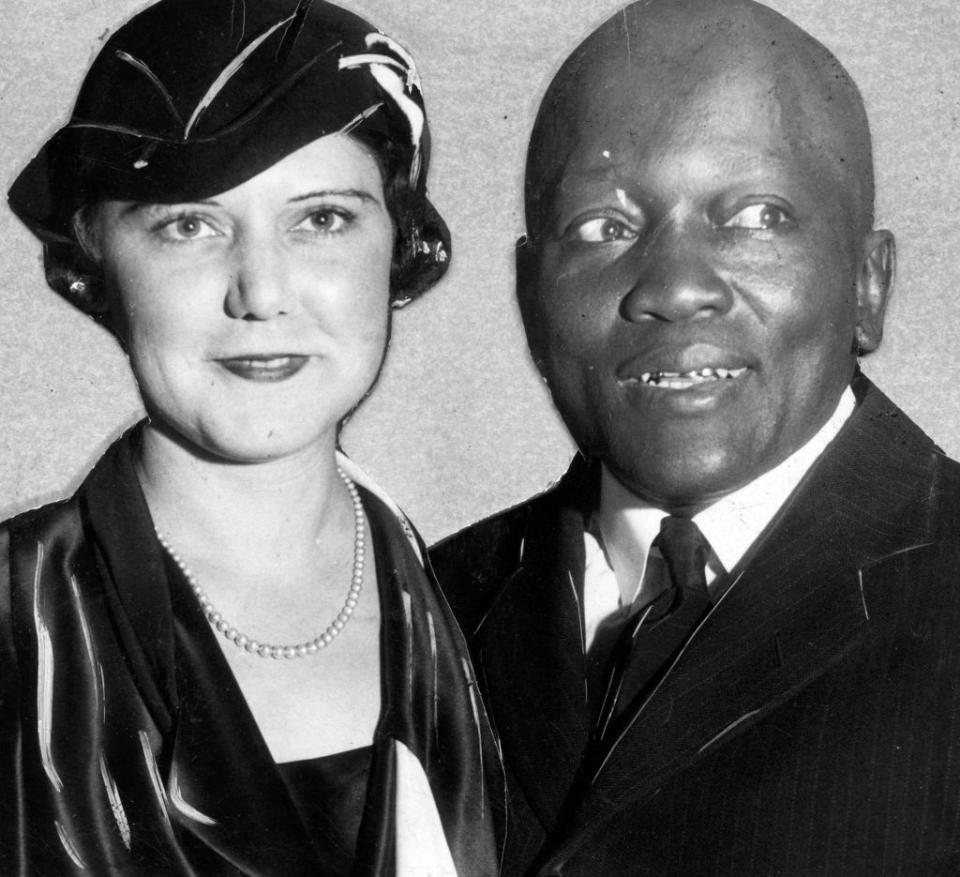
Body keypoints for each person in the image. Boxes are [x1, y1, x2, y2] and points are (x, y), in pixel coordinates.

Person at [430, 0, 960, 873]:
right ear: (530, 296)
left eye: (754, 216)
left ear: (869, 285)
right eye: (604, 227)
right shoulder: (418, 607)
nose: (675, 288)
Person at [0, 0, 503, 874]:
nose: (261, 292)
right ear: (98, 268)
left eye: (322, 219)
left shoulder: (485, 604)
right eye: (189, 225)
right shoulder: (17, 627)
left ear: (400, 246)